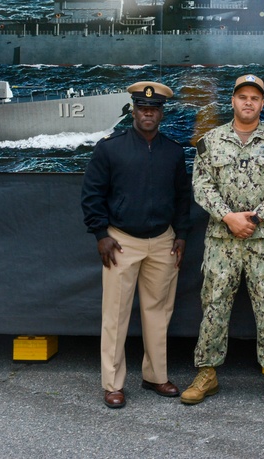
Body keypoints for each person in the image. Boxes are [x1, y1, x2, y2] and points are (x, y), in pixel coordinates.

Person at [181, 74, 264, 409]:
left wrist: (257, 216)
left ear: (263, 103)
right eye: (242, 97)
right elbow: (202, 185)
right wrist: (228, 217)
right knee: (214, 306)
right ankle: (207, 373)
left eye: (254, 98)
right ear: (232, 101)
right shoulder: (211, 141)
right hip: (222, 239)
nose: (248, 102)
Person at [80, 80, 192, 410]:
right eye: (143, 108)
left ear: (161, 114)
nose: (148, 113)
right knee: (115, 316)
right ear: (133, 110)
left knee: (158, 313)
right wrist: (101, 234)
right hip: (121, 242)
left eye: (154, 109)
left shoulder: (173, 151)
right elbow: (92, 196)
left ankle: (156, 376)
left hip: (162, 242)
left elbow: (183, 197)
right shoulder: (110, 149)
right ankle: (112, 384)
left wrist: (181, 234)